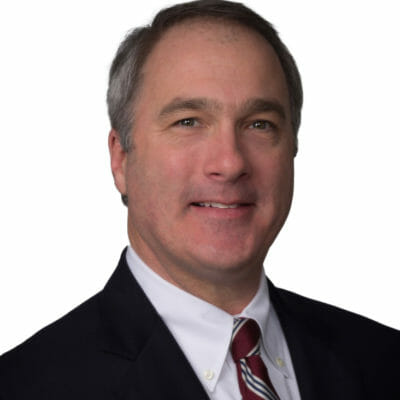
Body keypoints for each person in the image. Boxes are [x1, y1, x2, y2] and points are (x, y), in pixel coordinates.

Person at [0, 0, 399, 399]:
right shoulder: (25, 385)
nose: (229, 162)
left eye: (260, 124)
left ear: (292, 149)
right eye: (187, 121)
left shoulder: (384, 361)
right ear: (121, 159)